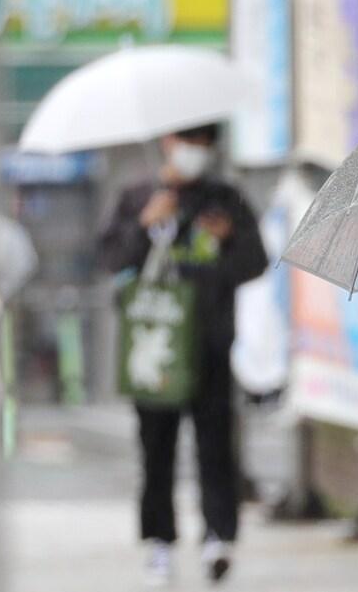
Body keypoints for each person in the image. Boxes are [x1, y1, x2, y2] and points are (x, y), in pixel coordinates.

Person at [99, 124, 267, 586]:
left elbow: (255, 260)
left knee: (215, 445)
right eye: (188, 140)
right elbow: (112, 261)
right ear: (167, 142)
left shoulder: (224, 199)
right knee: (156, 450)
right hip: (153, 349)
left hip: (209, 345)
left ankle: (219, 535)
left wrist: (229, 237)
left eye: (205, 142)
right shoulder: (137, 197)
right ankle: (159, 542)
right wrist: (144, 224)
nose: (196, 151)